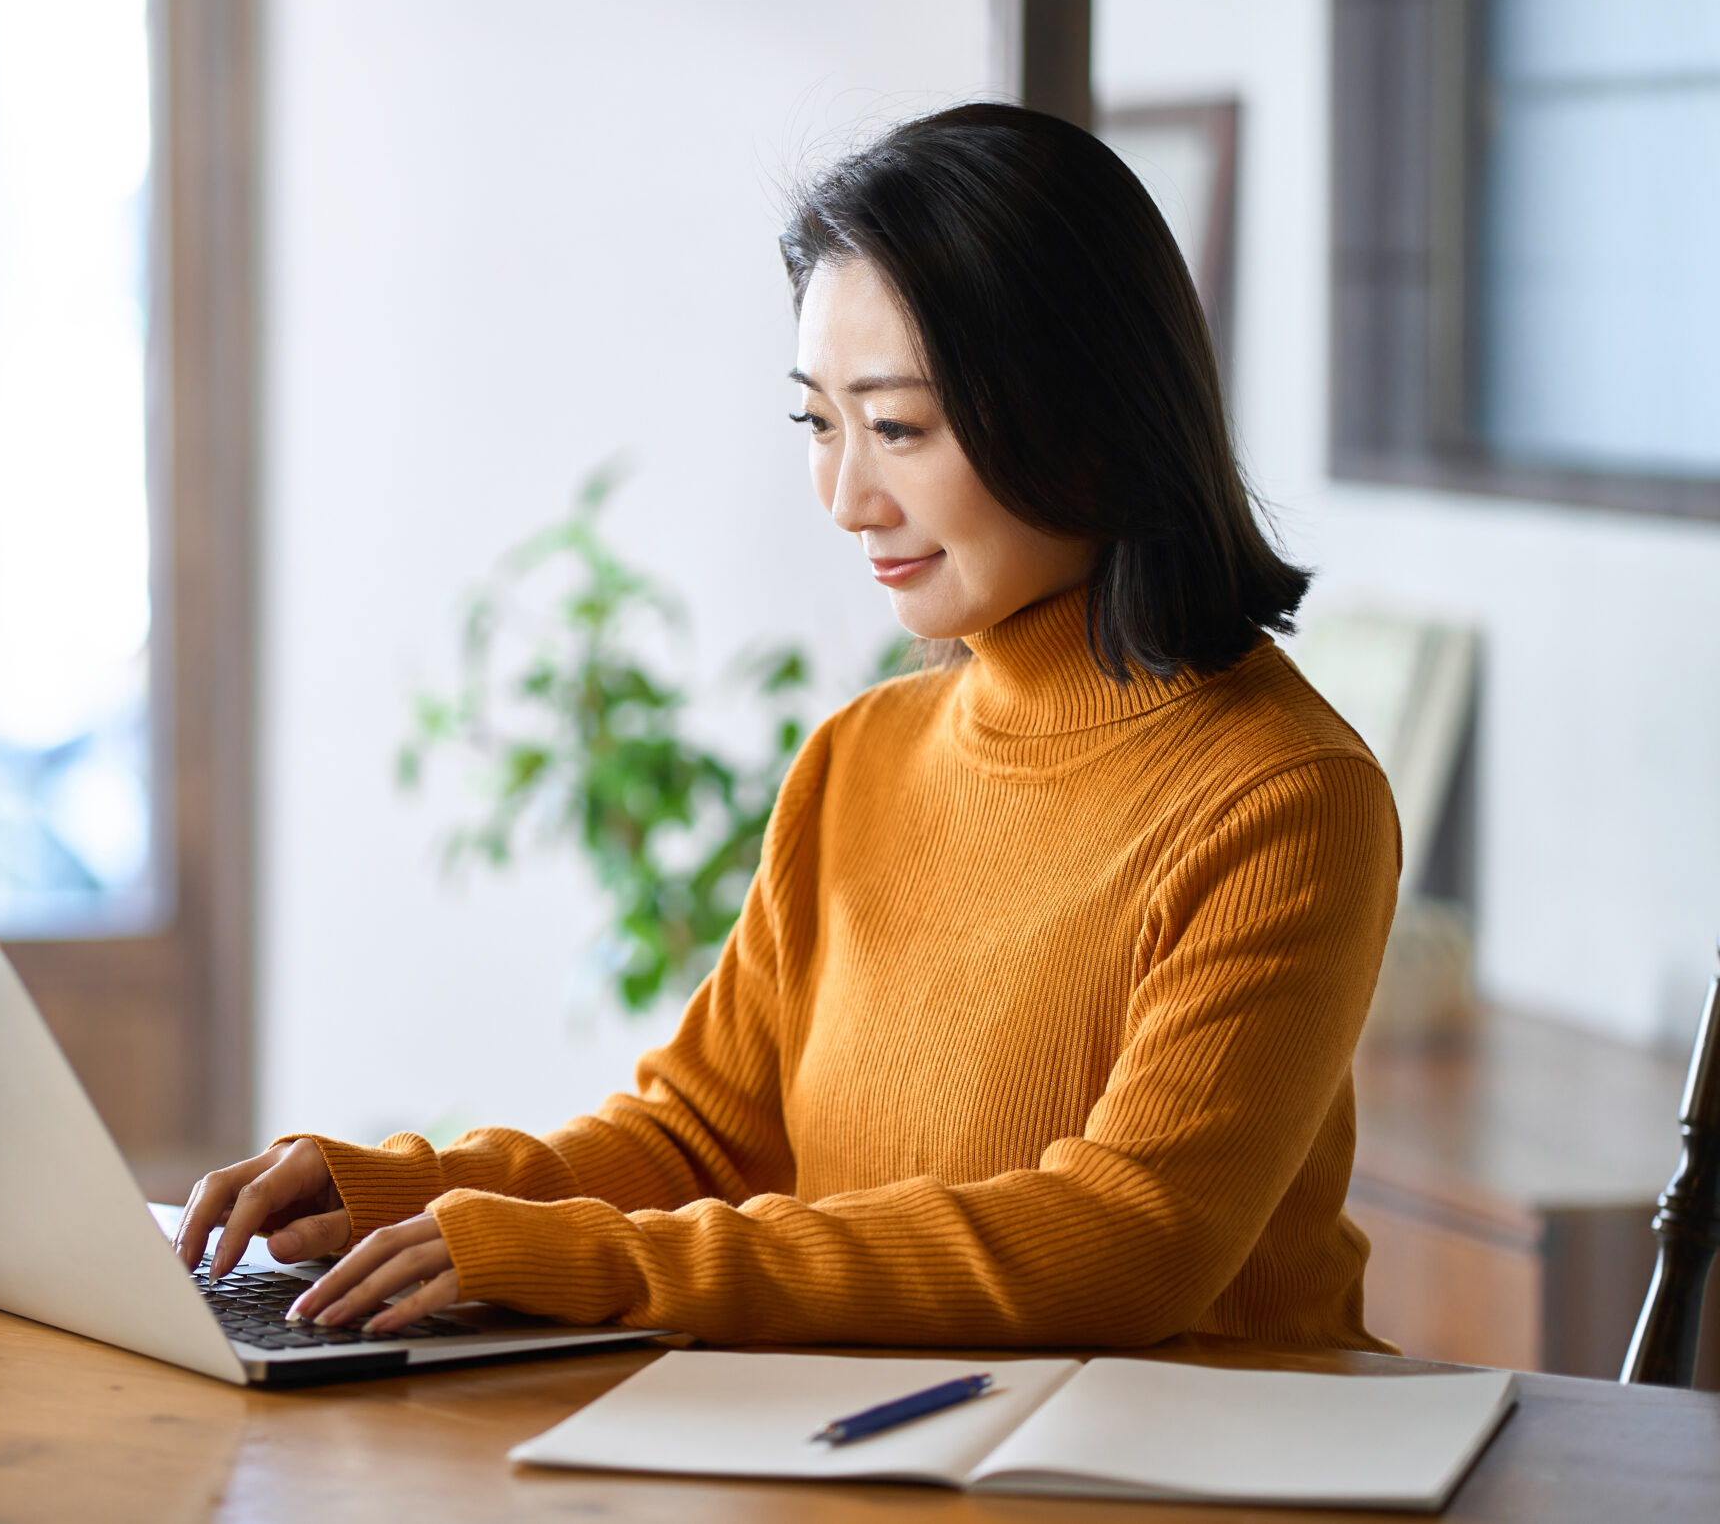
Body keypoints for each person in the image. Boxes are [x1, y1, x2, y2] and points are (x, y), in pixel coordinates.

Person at [174, 102, 1401, 1353]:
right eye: (820, 423)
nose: (847, 497)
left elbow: (1128, 1243)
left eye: (900, 428)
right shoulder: (860, 757)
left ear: (1087, 410)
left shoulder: (1285, 797)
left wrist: (590, 1259)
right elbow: (698, 1140)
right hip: (885, 1452)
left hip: (1185, 1469)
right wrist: (399, 1197)